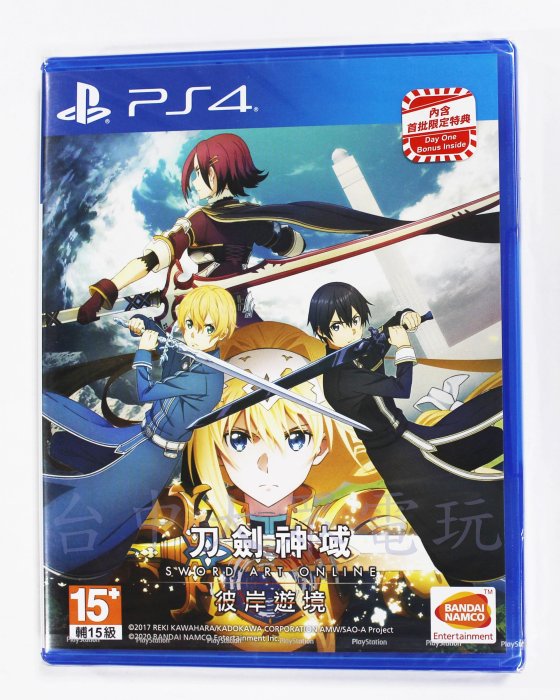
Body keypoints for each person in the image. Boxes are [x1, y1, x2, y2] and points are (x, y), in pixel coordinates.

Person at [127, 321, 447, 651]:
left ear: (321, 446)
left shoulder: (347, 518)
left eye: (296, 439)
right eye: (240, 440)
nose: (267, 462)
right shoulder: (183, 515)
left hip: (324, 655)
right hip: (202, 654)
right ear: (216, 448)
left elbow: (419, 575)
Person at [76, 133, 500, 326]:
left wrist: (282, 236)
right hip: (201, 308)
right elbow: (154, 257)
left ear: (221, 171)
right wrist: (106, 290)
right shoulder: (202, 220)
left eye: (201, 175)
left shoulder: (239, 216)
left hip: (236, 309)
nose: (197, 185)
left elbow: (289, 248)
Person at [307, 281, 504, 583]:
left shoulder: (353, 352)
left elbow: (379, 338)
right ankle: (483, 562)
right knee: (448, 496)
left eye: (355, 320)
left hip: (403, 438)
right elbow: (401, 387)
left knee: (490, 436)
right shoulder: (341, 378)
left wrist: (404, 316)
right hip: (397, 451)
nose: (351, 330)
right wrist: (403, 346)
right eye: (338, 326)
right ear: (322, 331)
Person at [43, 285, 237, 578]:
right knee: (71, 434)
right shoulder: (190, 350)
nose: (195, 335)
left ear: (221, 333)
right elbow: (166, 343)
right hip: (140, 437)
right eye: (190, 324)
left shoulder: (207, 379)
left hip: (155, 456)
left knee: (97, 503)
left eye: (207, 328)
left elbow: (146, 391)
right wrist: (143, 324)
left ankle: (54, 547)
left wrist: (144, 351)